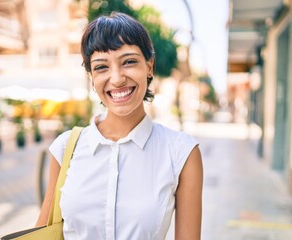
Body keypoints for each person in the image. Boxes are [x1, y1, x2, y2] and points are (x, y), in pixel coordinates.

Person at [36, 11, 203, 240]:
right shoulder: (66, 149)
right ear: (91, 78)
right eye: (101, 67)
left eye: (129, 62)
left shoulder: (181, 153)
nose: (116, 79)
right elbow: (43, 231)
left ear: (149, 66)